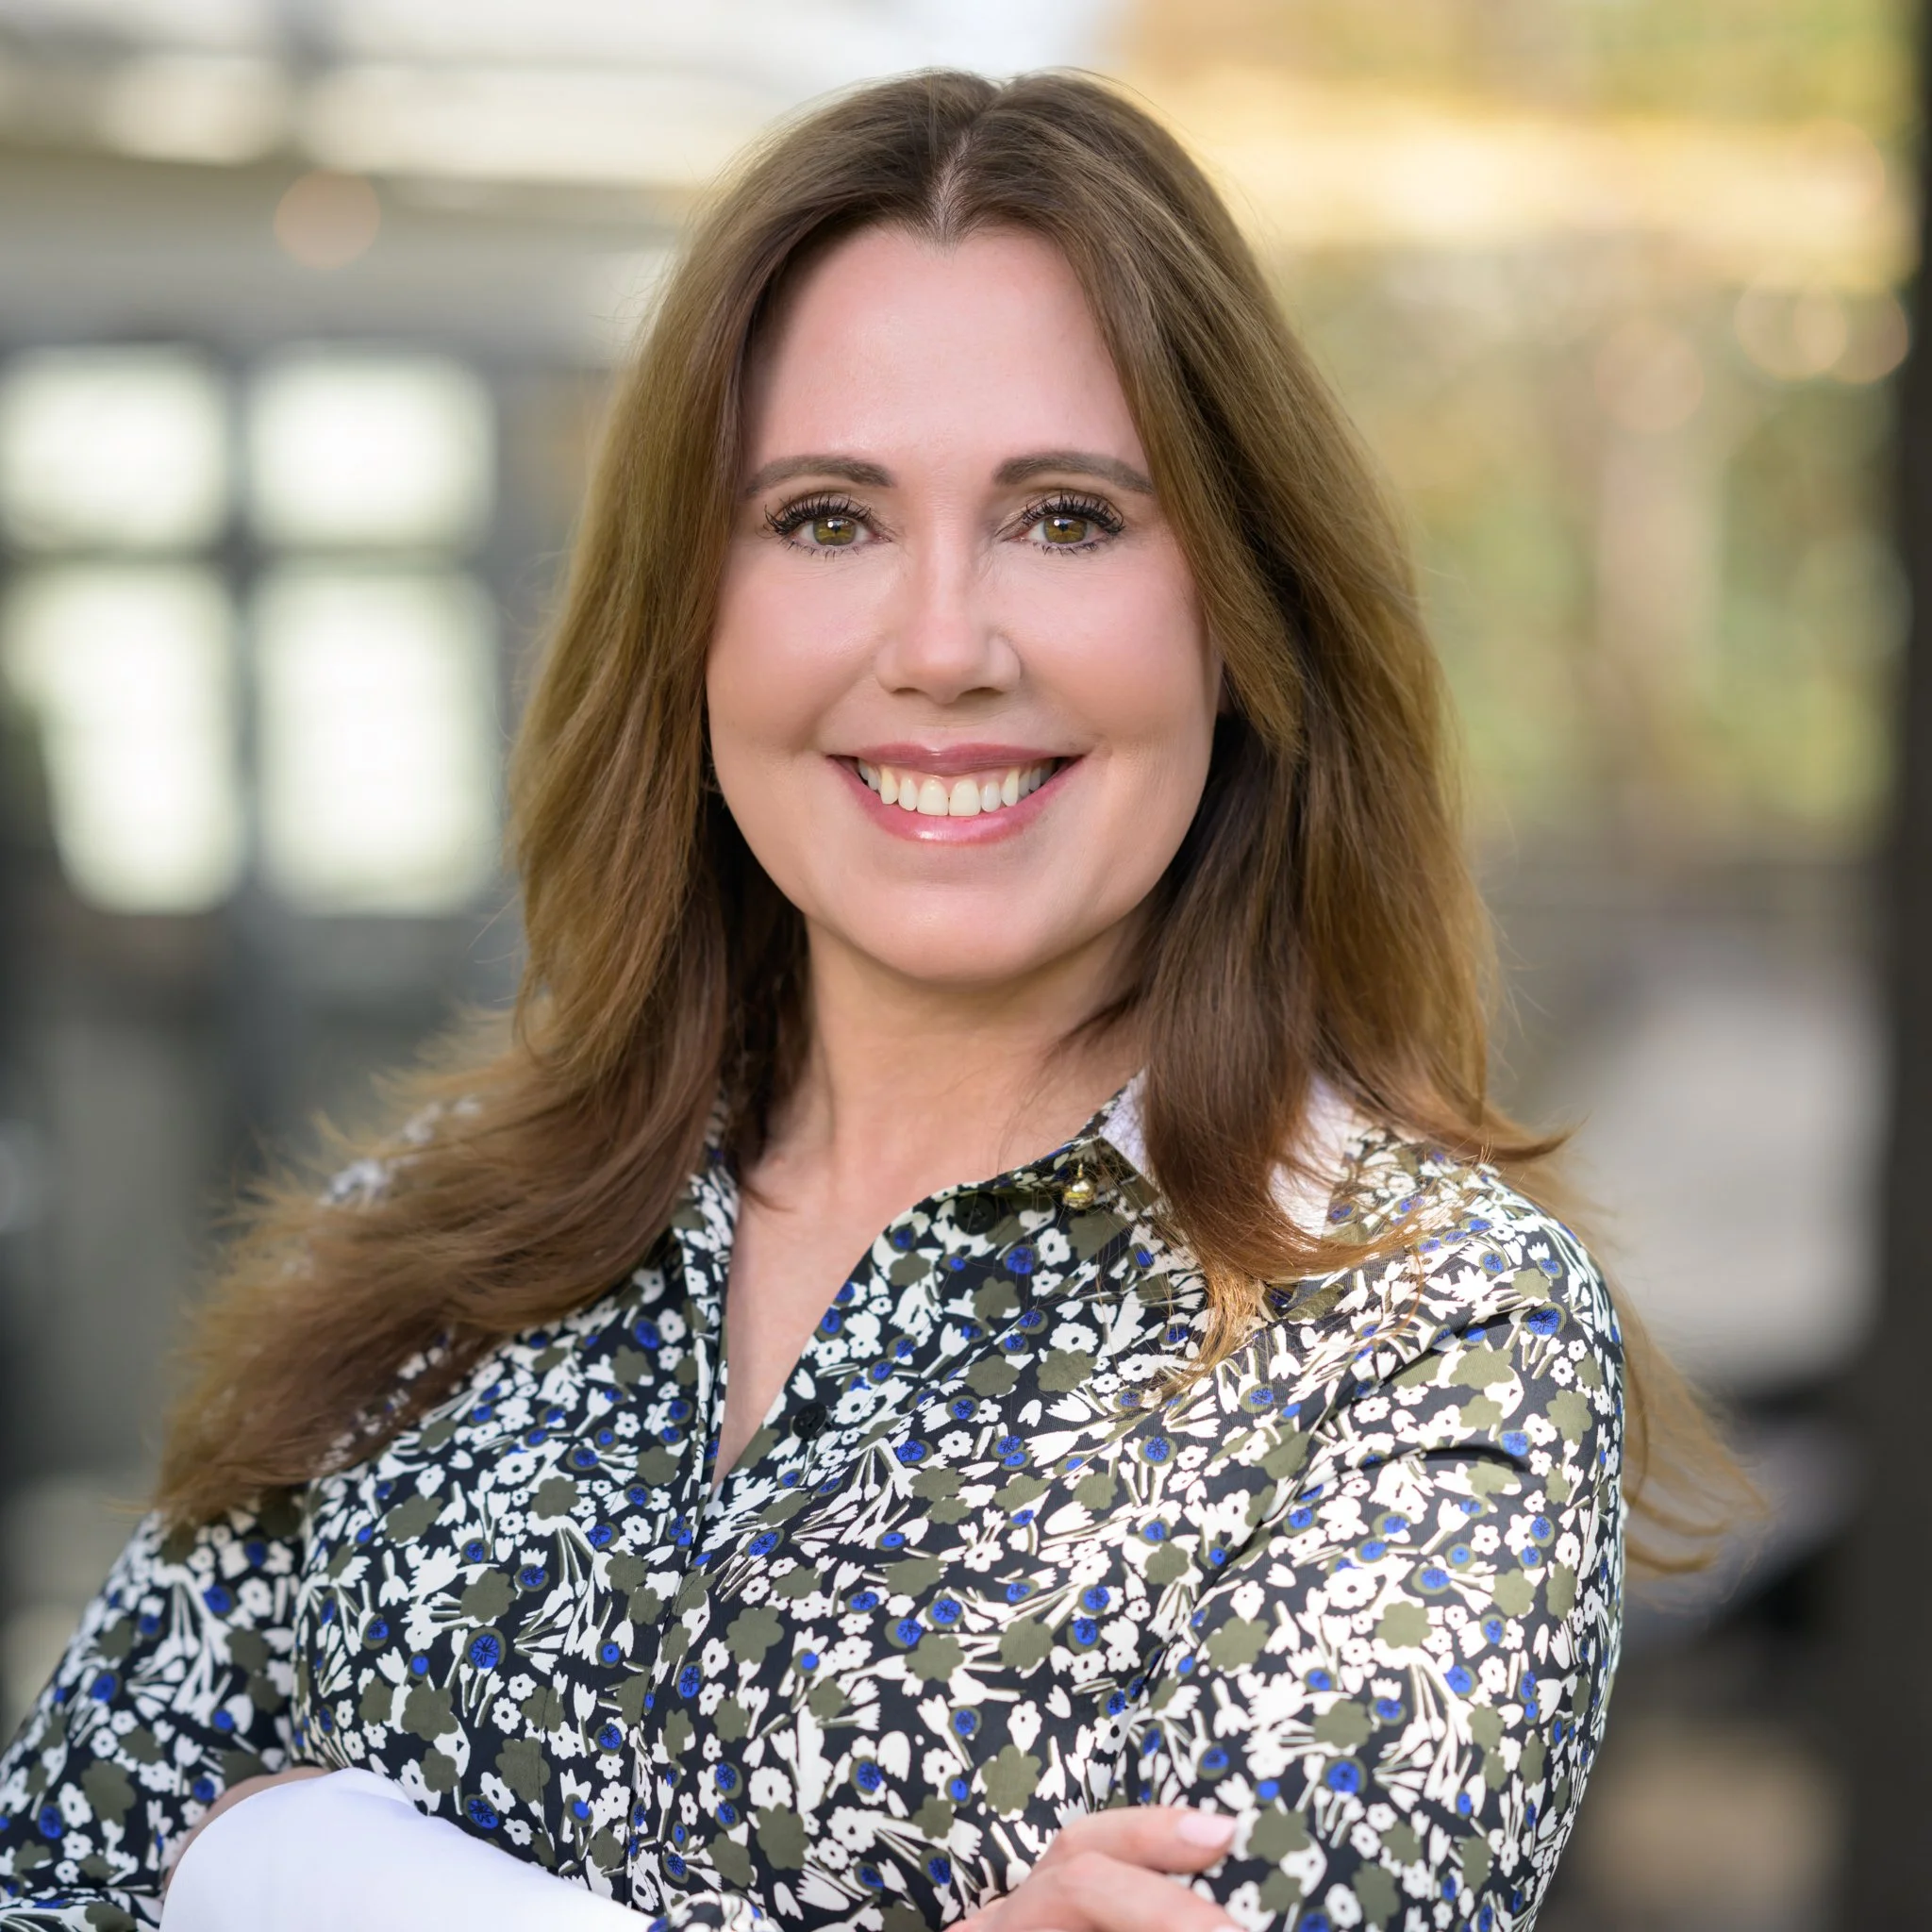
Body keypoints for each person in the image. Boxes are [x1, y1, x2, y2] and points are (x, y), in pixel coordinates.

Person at [0, 68, 1707, 1932]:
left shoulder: (1419, 1339)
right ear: (690, 610)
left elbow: (180, 1864)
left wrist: (296, 1872)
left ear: (1240, 609)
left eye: (1066, 517)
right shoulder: (415, 1259)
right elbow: (63, 1874)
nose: (942, 645)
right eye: (826, 520)